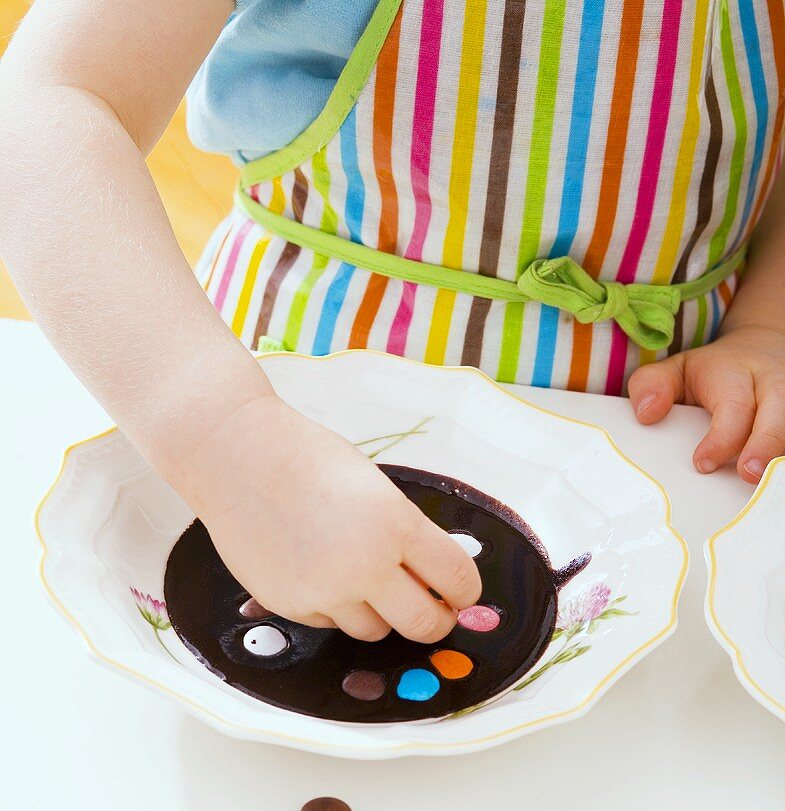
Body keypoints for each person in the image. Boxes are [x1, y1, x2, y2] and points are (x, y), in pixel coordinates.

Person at [1, 0, 783, 646]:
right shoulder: (238, 445)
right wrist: (228, 442)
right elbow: (47, 106)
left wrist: (767, 322)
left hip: (659, 461)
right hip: (278, 427)